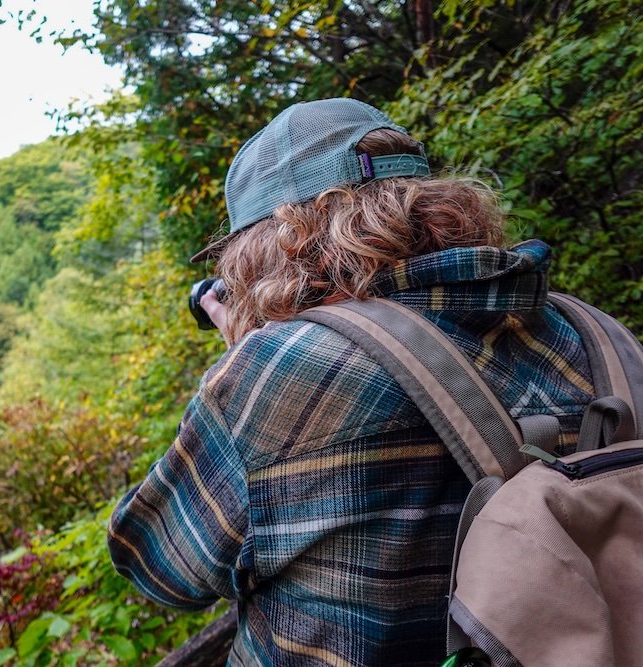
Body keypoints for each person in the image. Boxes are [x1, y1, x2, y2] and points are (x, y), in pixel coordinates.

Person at [107, 98, 596, 665]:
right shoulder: (585, 331)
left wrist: (243, 361)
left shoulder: (279, 373)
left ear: (271, 248)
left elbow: (157, 568)